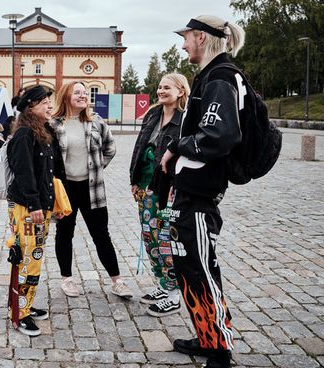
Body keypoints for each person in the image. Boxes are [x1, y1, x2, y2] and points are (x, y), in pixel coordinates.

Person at [160, 15, 247, 368]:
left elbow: (220, 135)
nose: (183, 45)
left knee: (201, 270)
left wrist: (178, 146)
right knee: (190, 269)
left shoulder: (220, 78)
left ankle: (220, 350)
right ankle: (207, 338)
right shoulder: (212, 76)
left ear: (201, 37)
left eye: (186, 39)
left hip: (200, 194)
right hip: (191, 191)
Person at [50, 81, 132, 298]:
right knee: (64, 233)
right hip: (65, 190)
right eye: (77, 92)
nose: (83, 95)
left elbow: (110, 148)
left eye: (85, 93)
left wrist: (95, 168)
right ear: (66, 96)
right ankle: (66, 279)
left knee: (101, 234)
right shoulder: (53, 124)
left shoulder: (97, 122)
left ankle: (118, 280)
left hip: (91, 188)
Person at [5, 85, 65, 336]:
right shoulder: (24, 135)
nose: (50, 106)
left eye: (49, 102)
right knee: (28, 258)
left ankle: (23, 304)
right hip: (27, 207)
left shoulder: (44, 131)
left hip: (41, 206)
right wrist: (34, 205)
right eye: (44, 102)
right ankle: (20, 313)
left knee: (33, 257)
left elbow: (52, 173)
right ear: (30, 106)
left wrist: (56, 204)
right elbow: (24, 172)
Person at [129, 73, 190, 317]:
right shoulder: (153, 115)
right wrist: (134, 180)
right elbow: (139, 147)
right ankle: (163, 285)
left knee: (166, 238)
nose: (161, 91)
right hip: (145, 186)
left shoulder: (186, 119)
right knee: (149, 236)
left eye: (167, 87)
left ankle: (174, 294)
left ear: (180, 91)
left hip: (169, 190)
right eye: (160, 87)